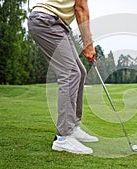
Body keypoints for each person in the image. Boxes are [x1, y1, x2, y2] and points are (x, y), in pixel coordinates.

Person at [28, 0, 98, 154]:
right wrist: (88, 44)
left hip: (56, 23)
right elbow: (80, 8)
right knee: (70, 73)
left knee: (80, 71)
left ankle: (72, 127)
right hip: (46, 21)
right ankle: (63, 138)